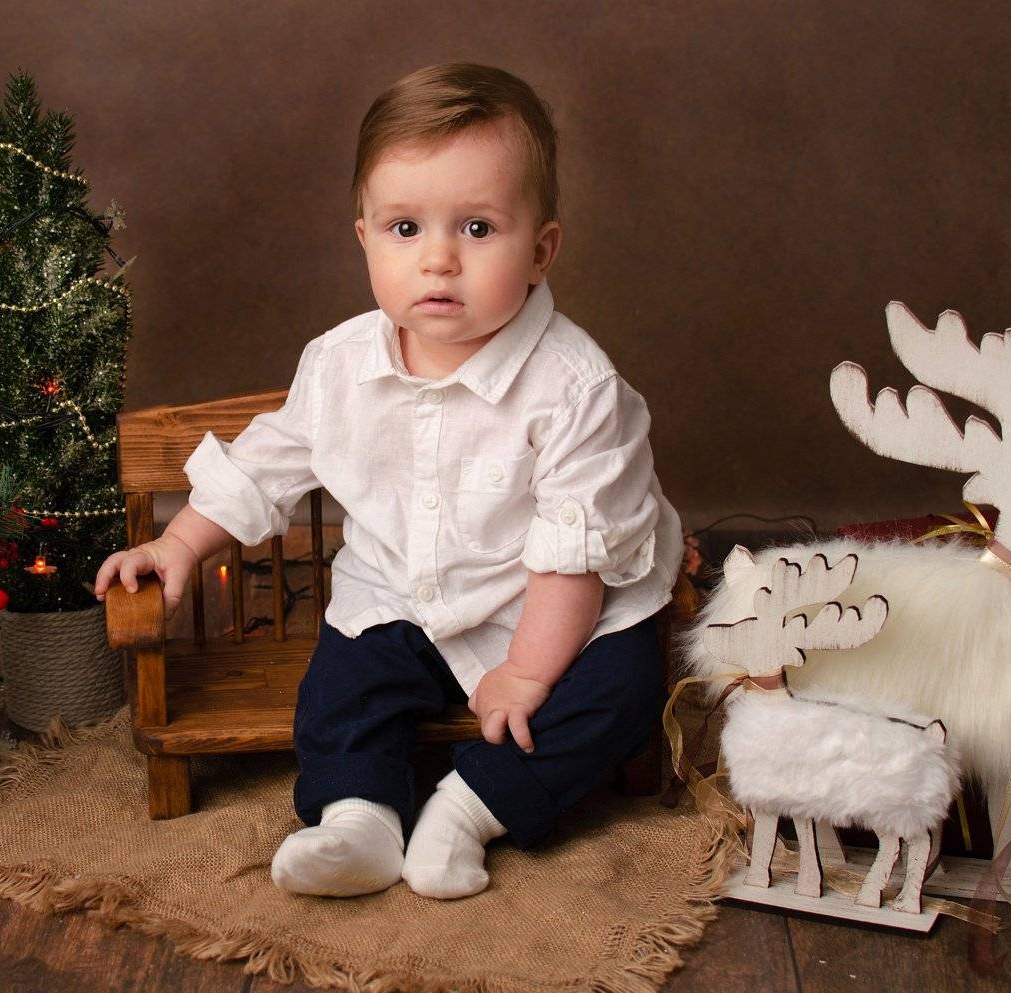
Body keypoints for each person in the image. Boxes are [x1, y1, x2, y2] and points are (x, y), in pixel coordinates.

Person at [95, 62, 682, 900]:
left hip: (546, 609)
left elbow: (572, 557)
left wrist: (527, 672)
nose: (439, 259)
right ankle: (358, 818)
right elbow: (266, 463)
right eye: (406, 228)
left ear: (540, 251)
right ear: (365, 237)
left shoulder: (576, 389)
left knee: (621, 687)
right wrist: (182, 542)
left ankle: (470, 809)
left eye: (477, 228)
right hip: (401, 597)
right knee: (342, 683)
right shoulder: (339, 365)